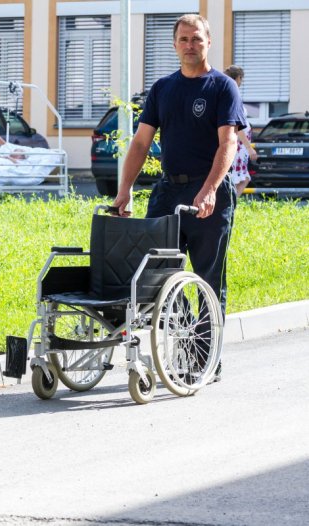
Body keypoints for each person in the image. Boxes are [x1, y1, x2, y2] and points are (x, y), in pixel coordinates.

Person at [112, 14, 245, 379]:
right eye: (184, 39)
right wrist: (124, 190)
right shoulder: (163, 89)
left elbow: (228, 143)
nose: (190, 45)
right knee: (154, 276)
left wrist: (209, 190)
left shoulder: (221, 88)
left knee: (207, 279)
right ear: (174, 44)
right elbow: (141, 142)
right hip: (168, 191)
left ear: (208, 42)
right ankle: (187, 338)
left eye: (196, 39)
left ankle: (205, 359)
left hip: (208, 195)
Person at [223, 65, 258, 196]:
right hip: (238, 146)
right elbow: (237, 126)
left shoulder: (227, 93)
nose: (241, 82)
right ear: (237, 78)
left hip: (239, 146)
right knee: (240, 178)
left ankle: (231, 205)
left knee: (241, 178)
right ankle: (230, 206)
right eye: (241, 78)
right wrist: (249, 148)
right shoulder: (232, 95)